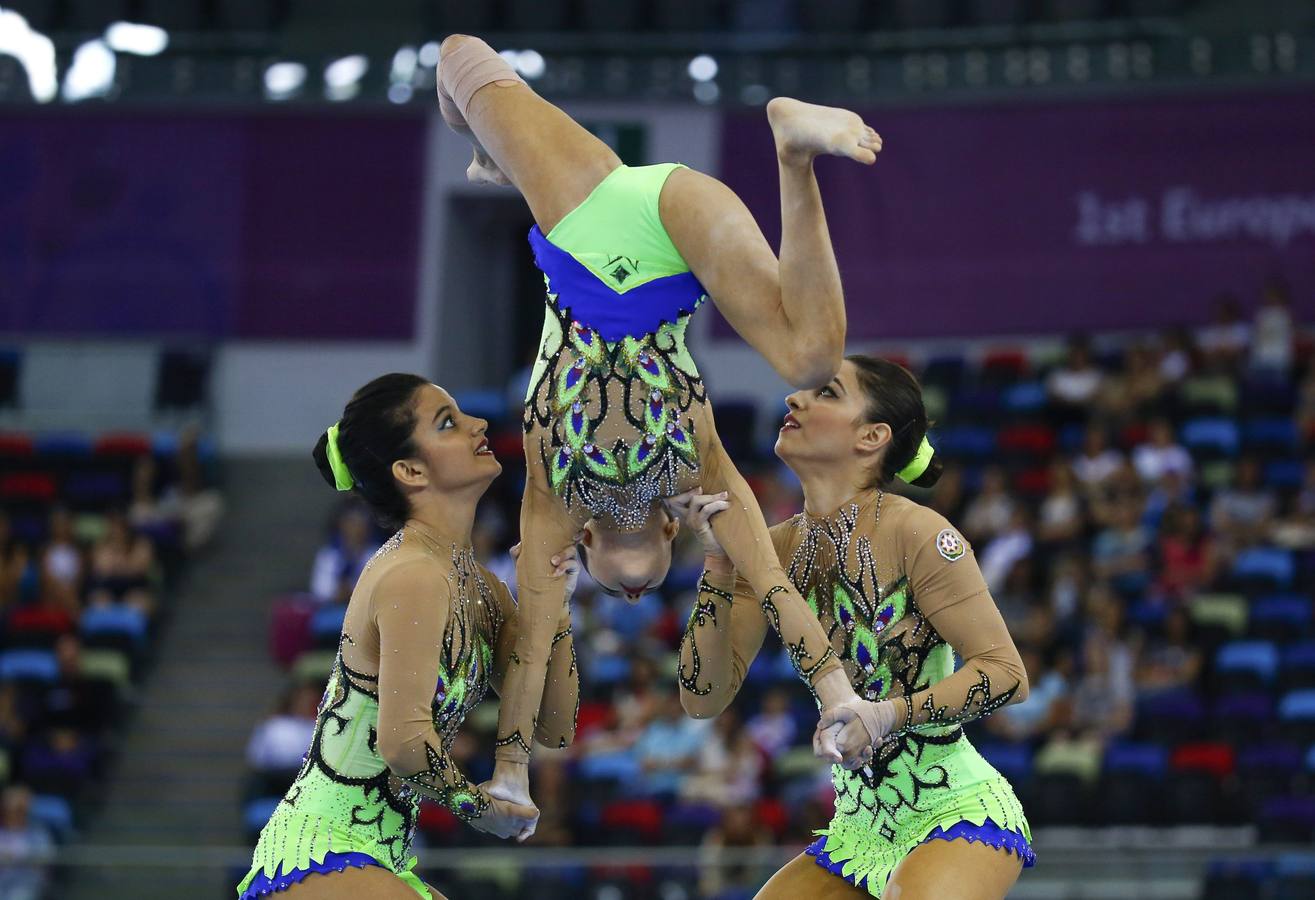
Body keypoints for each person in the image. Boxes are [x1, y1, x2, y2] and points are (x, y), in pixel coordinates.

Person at [431, 34, 883, 813]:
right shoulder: (633, 487)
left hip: (643, 225)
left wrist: (839, 693)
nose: (634, 598)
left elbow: (773, 591)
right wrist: (506, 776)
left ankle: (793, 156)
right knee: (457, 62)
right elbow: (537, 644)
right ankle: (789, 152)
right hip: (604, 221)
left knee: (810, 360)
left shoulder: (647, 488)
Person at [671, 356, 1033, 899]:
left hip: (955, 810)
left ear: (872, 436)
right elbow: (703, 697)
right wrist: (719, 567)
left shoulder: (918, 532)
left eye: (826, 393)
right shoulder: (771, 552)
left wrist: (887, 713)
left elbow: (1007, 674)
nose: (795, 399)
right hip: (857, 831)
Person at [236, 374, 580, 900]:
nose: (478, 424)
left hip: (379, 855)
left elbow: (554, 724)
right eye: (448, 422)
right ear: (411, 470)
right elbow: (402, 743)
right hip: (321, 851)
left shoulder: (479, 586)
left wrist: (552, 607)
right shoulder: (413, 574)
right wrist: (482, 810)